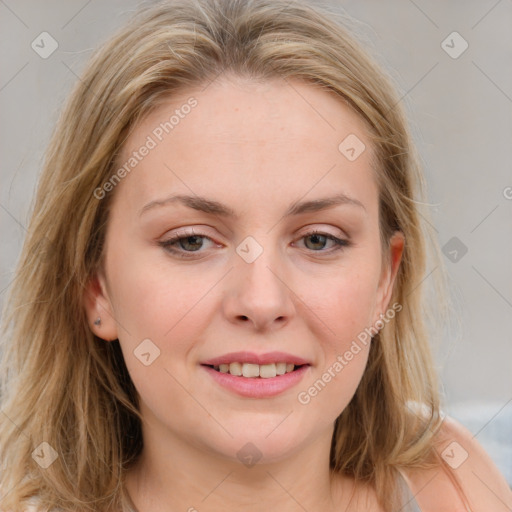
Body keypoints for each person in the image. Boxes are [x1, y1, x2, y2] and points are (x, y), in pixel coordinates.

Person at [1, 0, 511, 511]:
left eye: (318, 240)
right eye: (191, 241)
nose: (262, 301)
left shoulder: (454, 483)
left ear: (386, 282)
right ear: (95, 286)